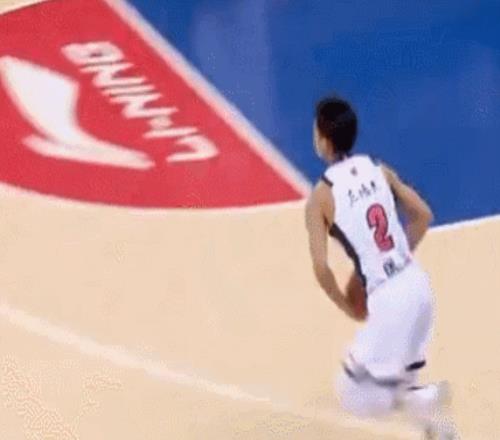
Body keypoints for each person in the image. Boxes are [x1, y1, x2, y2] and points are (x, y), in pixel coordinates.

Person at [305, 96, 457, 439]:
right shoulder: (379, 169)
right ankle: (438, 429)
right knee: (402, 382)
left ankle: (423, 399)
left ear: (324, 140)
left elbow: (321, 268)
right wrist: (393, 258)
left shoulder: (321, 197)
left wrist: (346, 305)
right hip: (417, 285)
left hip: (389, 301)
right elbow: (423, 216)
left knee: (352, 392)